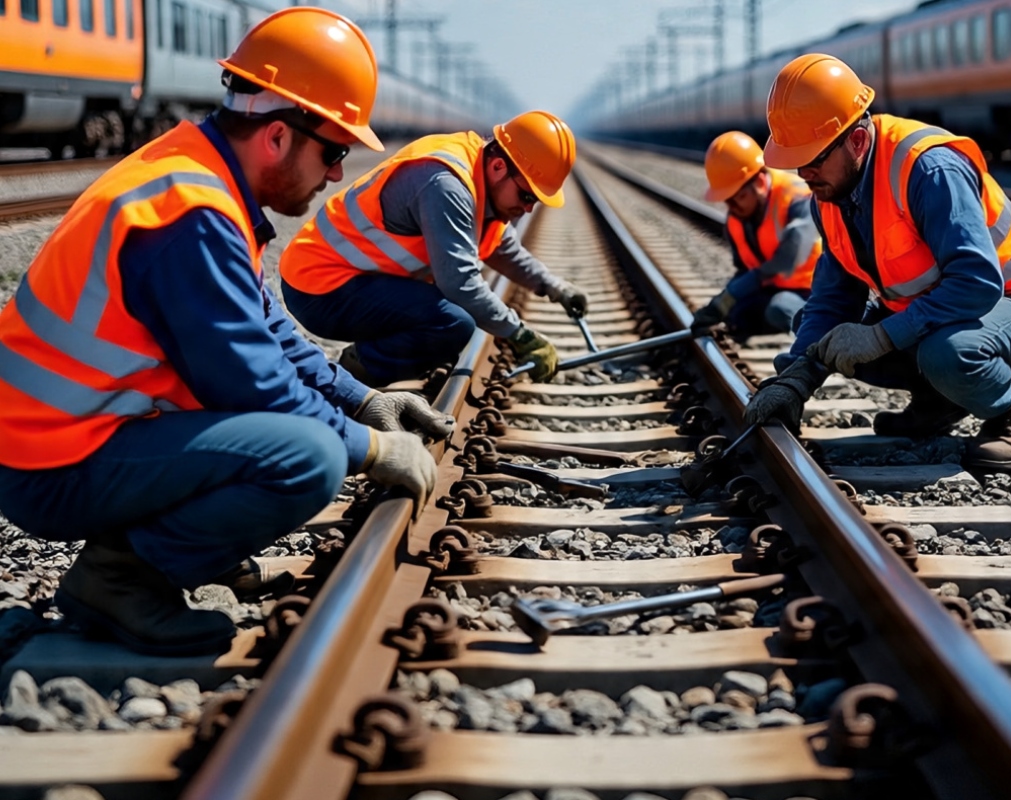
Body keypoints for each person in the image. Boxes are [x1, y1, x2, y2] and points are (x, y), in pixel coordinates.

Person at [0, 8, 453, 657]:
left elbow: (264, 324)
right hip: (51, 463)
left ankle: (186, 554)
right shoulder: (189, 215)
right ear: (276, 136)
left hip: (69, 434)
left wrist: (361, 399)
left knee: (303, 434)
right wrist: (370, 449)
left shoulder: (196, 178)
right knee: (308, 458)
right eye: (334, 152)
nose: (334, 175)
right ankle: (119, 579)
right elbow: (254, 382)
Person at [743, 54, 1011, 472]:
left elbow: (977, 282)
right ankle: (940, 401)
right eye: (798, 161)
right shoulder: (831, 194)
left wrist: (883, 335)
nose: (805, 172)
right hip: (935, 306)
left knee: (947, 353)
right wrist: (794, 379)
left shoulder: (929, 169)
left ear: (856, 141)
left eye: (814, 158)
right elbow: (832, 300)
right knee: (821, 332)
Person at [278, 110, 586, 385]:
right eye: (527, 196)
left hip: (351, 281)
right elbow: (460, 283)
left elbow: (504, 250)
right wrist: (520, 334)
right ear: (497, 167)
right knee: (453, 321)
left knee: (453, 316)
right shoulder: (446, 185)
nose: (529, 208)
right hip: (319, 287)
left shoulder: (481, 184)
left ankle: (379, 361)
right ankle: (353, 376)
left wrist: (556, 287)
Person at [690, 131, 822, 337]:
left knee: (779, 308)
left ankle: (815, 347)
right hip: (776, 287)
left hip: (818, 292)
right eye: (727, 199)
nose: (732, 207)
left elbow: (787, 260)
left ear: (759, 182)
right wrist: (721, 306)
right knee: (736, 314)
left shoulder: (798, 196)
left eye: (739, 197)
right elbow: (746, 271)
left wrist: (731, 294)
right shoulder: (737, 218)